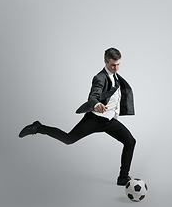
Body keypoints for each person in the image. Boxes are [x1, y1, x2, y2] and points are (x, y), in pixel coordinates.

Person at [19, 48, 136, 186]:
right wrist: (96, 104)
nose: (115, 68)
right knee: (68, 139)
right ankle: (38, 127)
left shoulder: (116, 77)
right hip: (94, 120)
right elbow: (93, 95)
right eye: (112, 65)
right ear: (105, 61)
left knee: (130, 141)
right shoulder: (100, 77)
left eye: (118, 64)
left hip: (109, 121)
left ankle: (123, 178)